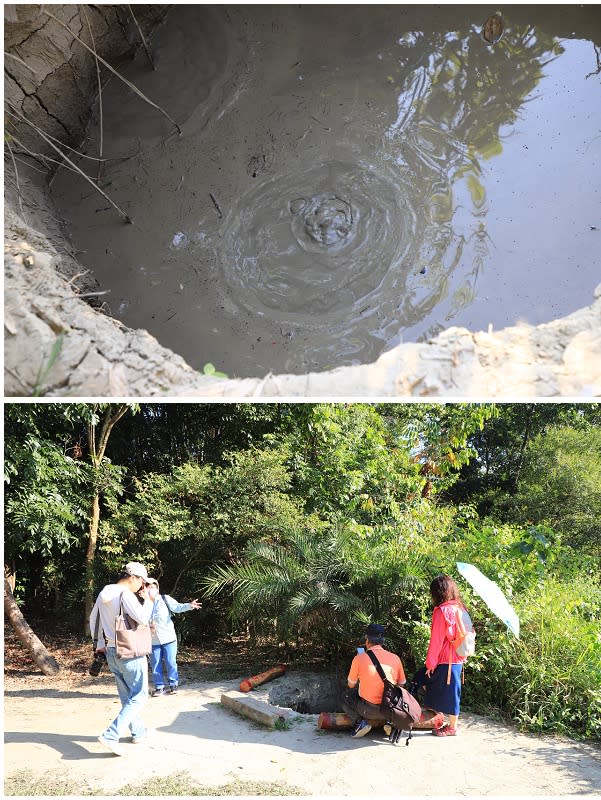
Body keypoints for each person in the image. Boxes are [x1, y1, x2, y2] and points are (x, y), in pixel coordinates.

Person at [89, 561, 153, 756]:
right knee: (140, 696)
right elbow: (142, 618)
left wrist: (100, 644)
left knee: (127, 697)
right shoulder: (125, 594)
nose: (141, 586)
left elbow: (94, 620)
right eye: (141, 582)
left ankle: (138, 732)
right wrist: (149, 600)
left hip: (110, 651)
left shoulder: (104, 593)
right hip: (130, 652)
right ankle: (111, 735)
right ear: (132, 577)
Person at [414, 574, 468, 737]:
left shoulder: (441, 611)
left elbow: (436, 641)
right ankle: (444, 721)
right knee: (452, 691)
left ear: (437, 593)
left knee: (420, 679)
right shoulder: (461, 609)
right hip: (458, 659)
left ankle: (451, 727)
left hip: (445, 660)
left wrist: (430, 664)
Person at [342, 623, 406, 738]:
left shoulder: (359, 658)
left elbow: (351, 685)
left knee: (346, 696)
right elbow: (401, 685)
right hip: (389, 710)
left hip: (368, 711)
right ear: (383, 641)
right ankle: (390, 723)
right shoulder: (395, 658)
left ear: (367, 640)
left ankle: (360, 722)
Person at [146, 577, 202, 696]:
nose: (150, 589)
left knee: (170, 662)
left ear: (157, 588)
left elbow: (177, 607)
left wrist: (189, 605)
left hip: (168, 638)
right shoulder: (142, 604)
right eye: (148, 586)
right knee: (155, 664)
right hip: (153, 640)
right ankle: (159, 687)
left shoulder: (164, 599)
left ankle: (173, 685)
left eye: (152, 586)